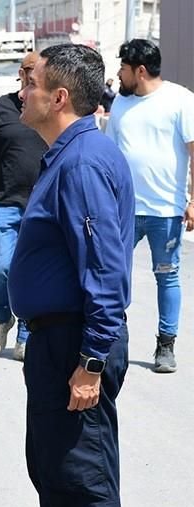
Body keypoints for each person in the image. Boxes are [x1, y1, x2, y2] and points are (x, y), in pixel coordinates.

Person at [3, 44, 134, 507]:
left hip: (77, 342)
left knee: (83, 478)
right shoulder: (69, 154)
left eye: (28, 81)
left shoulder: (82, 162)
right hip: (56, 341)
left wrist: (90, 360)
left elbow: (104, 271)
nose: (19, 90)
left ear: (58, 97)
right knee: (53, 468)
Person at [106, 38, 194, 373]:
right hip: (123, 210)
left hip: (166, 211)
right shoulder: (120, 105)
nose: (119, 74)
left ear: (139, 71)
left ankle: (165, 346)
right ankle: (112, 336)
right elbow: (110, 155)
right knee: (112, 273)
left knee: (167, 277)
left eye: (123, 69)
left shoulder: (181, 101)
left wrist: (193, 201)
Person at [0, 51, 48, 361]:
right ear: (21, 72)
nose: (33, 74)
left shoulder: (49, 109)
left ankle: (26, 333)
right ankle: (3, 319)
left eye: (39, 70)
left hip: (41, 206)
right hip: (3, 204)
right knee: (1, 267)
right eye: (29, 69)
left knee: (32, 272)